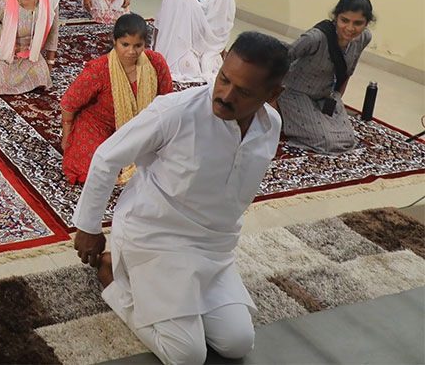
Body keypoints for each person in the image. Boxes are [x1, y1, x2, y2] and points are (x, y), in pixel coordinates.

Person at [72, 32, 289, 365]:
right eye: (224, 79)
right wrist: (88, 227)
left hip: (214, 248)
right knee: (187, 356)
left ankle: (173, 298)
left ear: (273, 94)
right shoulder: (176, 111)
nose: (225, 95)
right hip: (156, 238)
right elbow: (106, 158)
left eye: (244, 91)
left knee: (238, 343)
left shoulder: (270, 125)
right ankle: (115, 280)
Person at [60, 14, 173, 184]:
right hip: (99, 125)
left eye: (138, 45)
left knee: (170, 160)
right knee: (95, 169)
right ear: (114, 41)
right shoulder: (99, 69)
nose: (131, 51)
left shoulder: (155, 63)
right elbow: (69, 104)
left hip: (140, 127)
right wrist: (67, 138)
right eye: (125, 44)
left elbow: (167, 102)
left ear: (145, 44)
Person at [278, 0, 375, 154]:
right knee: (328, 141)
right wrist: (271, 101)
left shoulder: (364, 37)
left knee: (347, 139)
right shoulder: (316, 37)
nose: (350, 28)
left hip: (326, 95)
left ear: (366, 23)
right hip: (296, 93)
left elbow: (348, 71)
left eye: (358, 23)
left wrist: (336, 99)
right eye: (345, 20)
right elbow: (282, 59)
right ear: (336, 17)